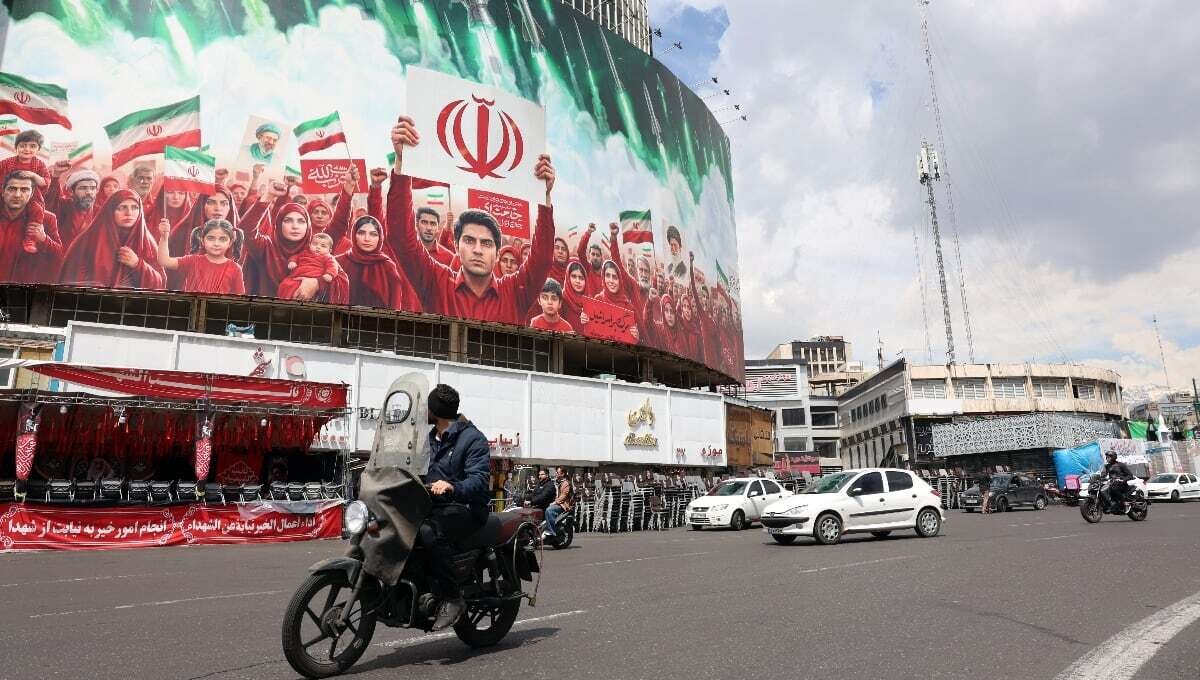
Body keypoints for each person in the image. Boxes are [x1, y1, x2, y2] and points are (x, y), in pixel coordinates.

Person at [387, 114, 556, 326]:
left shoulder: (515, 291)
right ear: (456, 246)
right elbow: (401, 237)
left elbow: (541, 261)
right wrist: (403, 163)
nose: (478, 249)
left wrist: (545, 196)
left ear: (497, 252)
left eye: (486, 243)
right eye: (469, 240)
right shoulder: (436, 282)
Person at [419, 383, 491, 631]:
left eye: (427, 406)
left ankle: (452, 597)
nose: (424, 411)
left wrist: (451, 486)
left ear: (435, 411)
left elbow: (479, 480)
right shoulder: (432, 437)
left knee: (429, 531)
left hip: (468, 508)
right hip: (438, 505)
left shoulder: (473, 439)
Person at [59, 189, 164, 289]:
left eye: (135, 207)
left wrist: (137, 264)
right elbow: (70, 279)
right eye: (122, 208)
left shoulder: (147, 242)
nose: (129, 213)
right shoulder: (89, 239)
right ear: (111, 211)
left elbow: (160, 282)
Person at [0, 172, 64, 283]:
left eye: (24, 190)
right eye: (12, 189)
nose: (17, 195)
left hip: (23, 289)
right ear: (3, 191)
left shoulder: (47, 219)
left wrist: (44, 239)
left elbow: (59, 256)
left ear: (32, 193)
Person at [335, 215, 408, 310]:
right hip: (343, 321)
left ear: (380, 237)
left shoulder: (388, 266)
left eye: (373, 234)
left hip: (379, 322)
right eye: (361, 233)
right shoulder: (338, 262)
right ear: (353, 235)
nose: (367, 239)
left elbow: (395, 306)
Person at [156, 217, 245, 295]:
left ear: (230, 243)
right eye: (211, 238)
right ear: (202, 240)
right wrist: (164, 237)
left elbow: (239, 299)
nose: (216, 243)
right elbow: (164, 261)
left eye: (222, 239)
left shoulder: (235, 269)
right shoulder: (192, 261)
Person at [45, 167, 99, 249]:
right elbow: (51, 200)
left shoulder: (100, 211)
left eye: (92, 188)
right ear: (71, 192)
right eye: (83, 188)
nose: (89, 192)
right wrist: (55, 176)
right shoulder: (63, 206)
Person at [544, 466, 574, 539]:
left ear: (562, 474)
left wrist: (555, 502)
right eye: (556, 472)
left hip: (563, 505)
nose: (556, 474)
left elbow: (563, 496)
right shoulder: (557, 481)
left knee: (549, 510)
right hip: (558, 502)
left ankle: (551, 531)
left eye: (557, 472)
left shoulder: (566, 483)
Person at [574, 223, 604, 294]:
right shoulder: (587, 268)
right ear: (589, 256)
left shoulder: (607, 274)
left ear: (601, 257)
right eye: (593, 254)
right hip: (588, 304)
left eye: (598, 255)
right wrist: (588, 232)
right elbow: (580, 251)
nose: (595, 257)